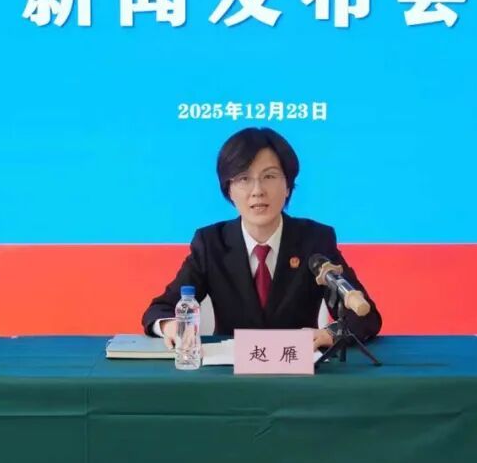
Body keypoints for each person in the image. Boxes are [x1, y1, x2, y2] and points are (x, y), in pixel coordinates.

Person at [142, 127, 381, 349]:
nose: (257, 191)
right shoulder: (211, 243)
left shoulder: (314, 239)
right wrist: (171, 326)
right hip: (230, 371)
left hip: (297, 369)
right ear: (229, 190)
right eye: (244, 179)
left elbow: (365, 315)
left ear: (288, 186)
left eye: (269, 177)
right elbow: (159, 310)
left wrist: (331, 334)